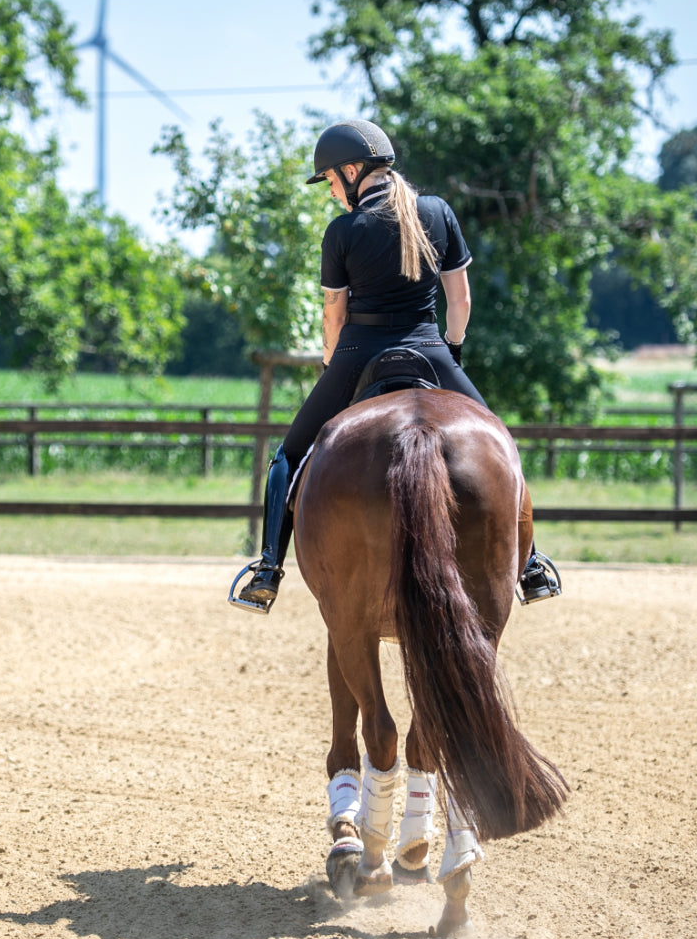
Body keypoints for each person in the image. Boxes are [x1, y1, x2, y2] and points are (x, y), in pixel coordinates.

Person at [231, 119, 561, 613]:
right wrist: (451, 350)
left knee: (288, 456)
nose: (331, 194)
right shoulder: (438, 212)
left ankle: (268, 568)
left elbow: (334, 314)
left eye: (330, 182)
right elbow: (461, 299)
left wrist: (330, 364)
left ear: (350, 170)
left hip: (357, 350)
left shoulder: (343, 231)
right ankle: (531, 565)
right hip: (430, 345)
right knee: (500, 446)